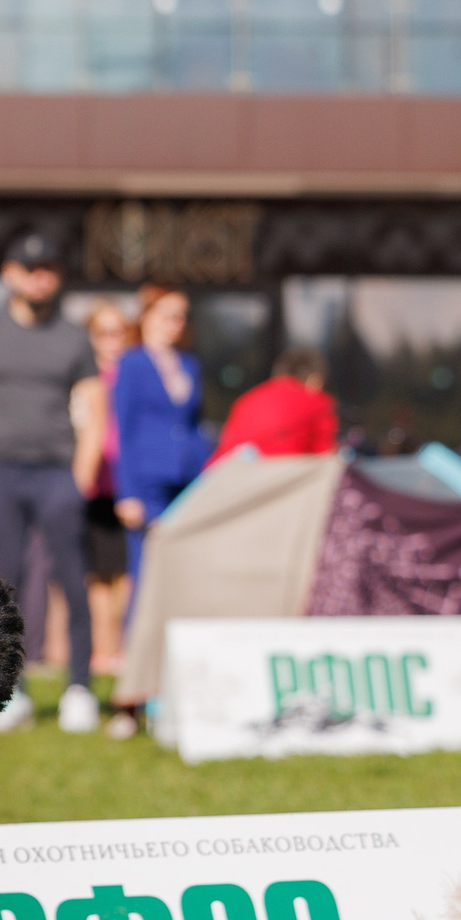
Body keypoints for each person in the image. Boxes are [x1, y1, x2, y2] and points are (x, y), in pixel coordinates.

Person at [0, 232, 104, 733]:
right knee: (3, 584)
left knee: (72, 579)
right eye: (30, 268)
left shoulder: (74, 337)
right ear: (9, 273)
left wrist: (80, 477)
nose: (40, 277)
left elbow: (94, 410)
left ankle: (79, 687)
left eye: (49, 268)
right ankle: (9, 691)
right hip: (3, 469)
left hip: (58, 472)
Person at [110, 283, 210, 583]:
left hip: (187, 480)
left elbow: (192, 423)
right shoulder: (131, 364)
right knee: (146, 572)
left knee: (181, 572)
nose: (176, 324)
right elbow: (123, 431)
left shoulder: (189, 365)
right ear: (147, 316)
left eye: (181, 316)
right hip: (148, 483)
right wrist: (127, 493)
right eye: (168, 315)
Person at [78, 300, 134, 675]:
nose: (113, 341)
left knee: (127, 571)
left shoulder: (135, 374)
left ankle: (125, 644)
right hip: (94, 484)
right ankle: (102, 647)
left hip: (128, 485)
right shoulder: (83, 378)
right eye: (104, 333)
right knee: (98, 572)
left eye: (119, 332)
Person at [208, 347, 338, 465]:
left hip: (225, 479)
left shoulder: (245, 401)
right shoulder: (318, 404)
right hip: (280, 483)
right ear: (315, 379)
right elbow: (325, 459)